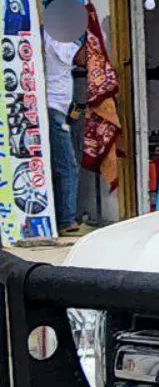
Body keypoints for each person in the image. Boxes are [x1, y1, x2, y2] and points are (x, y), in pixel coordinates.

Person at [42, 30, 85, 235]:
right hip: (54, 108)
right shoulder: (56, 37)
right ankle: (67, 220)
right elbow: (82, 59)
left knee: (57, 165)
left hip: (56, 107)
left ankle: (61, 217)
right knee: (67, 166)